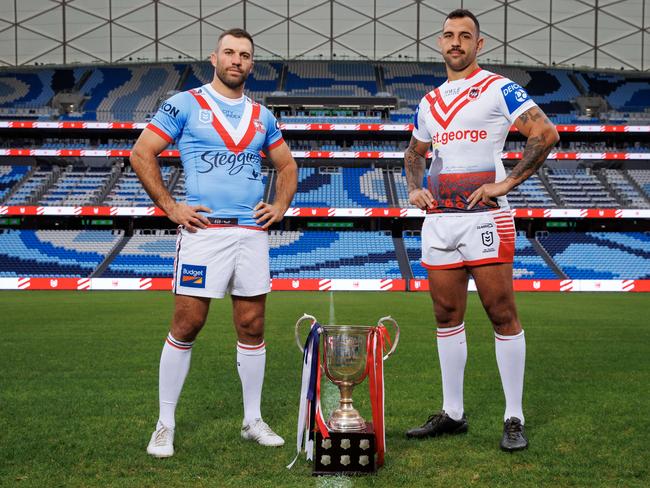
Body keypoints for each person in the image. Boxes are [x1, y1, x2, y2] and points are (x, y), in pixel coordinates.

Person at [130, 28, 298, 458]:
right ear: (214, 57)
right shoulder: (185, 103)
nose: (236, 60)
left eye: (244, 55)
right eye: (229, 52)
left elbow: (287, 165)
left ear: (252, 64)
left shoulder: (262, 116)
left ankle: (252, 420)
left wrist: (278, 205)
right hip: (204, 234)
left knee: (252, 327)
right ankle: (164, 424)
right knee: (186, 326)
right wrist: (170, 207)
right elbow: (141, 152)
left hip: (251, 235)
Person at [404, 9, 559, 451]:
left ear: (479, 44)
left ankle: (514, 416)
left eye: (464, 36)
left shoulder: (498, 88)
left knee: (501, 313)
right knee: (446, 316)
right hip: (439, 222)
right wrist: (414, 188)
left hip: (486, 219)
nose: (456, 42)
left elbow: (545, 134)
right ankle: (453, 413)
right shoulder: (430, 101)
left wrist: (506, 182)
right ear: (440, 42)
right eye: (449, 35)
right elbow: (414, 152)